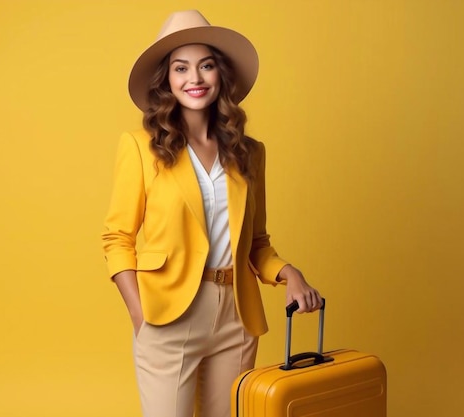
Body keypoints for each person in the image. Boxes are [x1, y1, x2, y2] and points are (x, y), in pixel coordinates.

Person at [101, 10, 323, 417]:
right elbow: (117, 239)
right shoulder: (139, 147)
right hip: (168, 313)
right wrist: (140, 317)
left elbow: (256, 243)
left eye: (205, 66)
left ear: (220, 74)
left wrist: (290, 274)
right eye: (180, 68)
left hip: (235, 316)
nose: (194, 79)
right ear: (166, 80)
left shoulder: (249, 153)